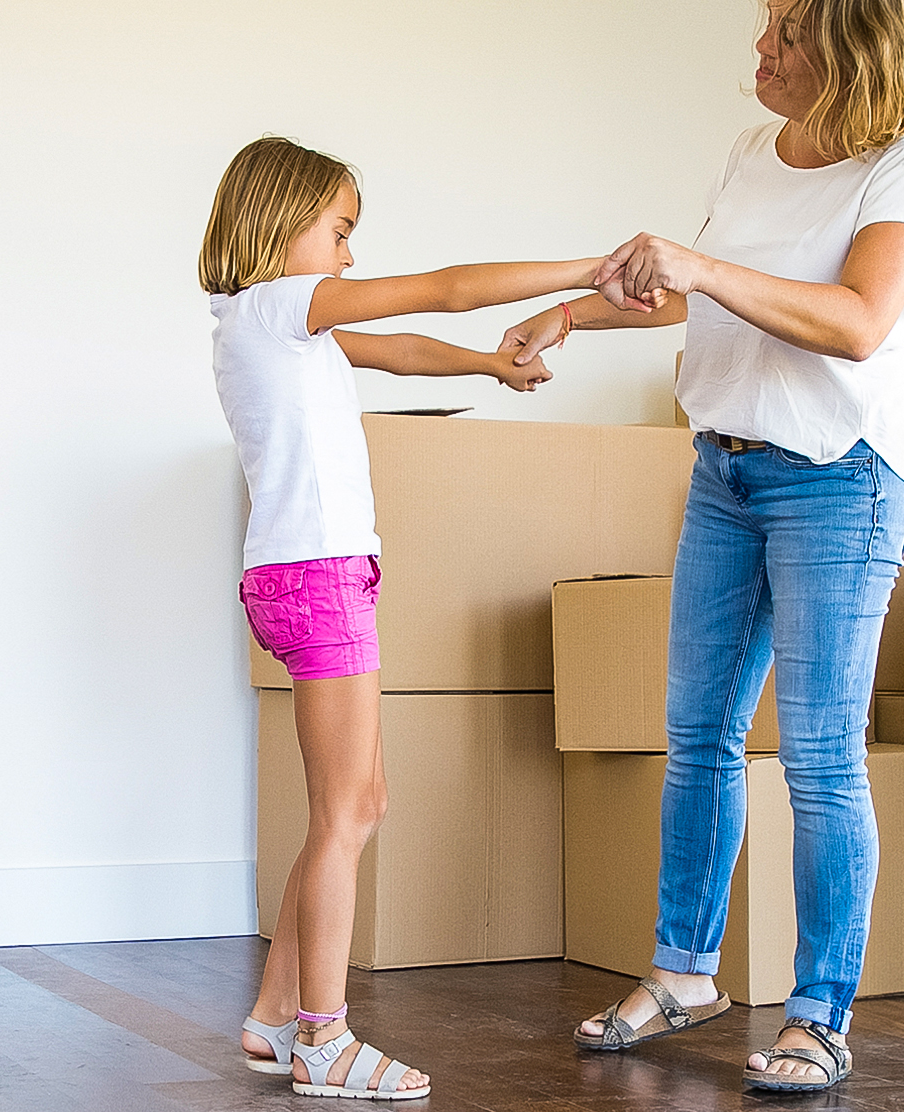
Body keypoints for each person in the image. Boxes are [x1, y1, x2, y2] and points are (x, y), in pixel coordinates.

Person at [505, 0, 904, 1093]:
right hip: (725, 472)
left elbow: (858, 321)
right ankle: (685, 972)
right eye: (767, 20)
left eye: (791, 30)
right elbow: (698, 302)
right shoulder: (755, 150)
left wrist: (701, 268)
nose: (761, 46)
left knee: (818, 758)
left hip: (841, 478)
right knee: (699, 739)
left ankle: (819, 1013)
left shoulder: (902, 173)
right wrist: (577, 313)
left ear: (852, 49)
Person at [205, 135, 616, 1101]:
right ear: (279, 220)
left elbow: (397, 347)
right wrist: (587, 272)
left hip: (317, 574)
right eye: (340, 233)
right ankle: (325, 1041)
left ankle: (274, 1018)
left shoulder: (270, 324)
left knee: (359, 803)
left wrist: (490, 367)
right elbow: (443, 287)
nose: (349, 257)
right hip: (316, 577)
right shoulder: (277, 302)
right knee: (345, 812)